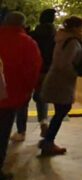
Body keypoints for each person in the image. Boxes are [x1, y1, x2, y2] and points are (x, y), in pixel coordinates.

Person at [0, 13, 42, 180]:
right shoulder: (27, 43)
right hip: (11, 96)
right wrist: (28, 90)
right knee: (2, 133)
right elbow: (32, 70)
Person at [39, 15, 82, 157]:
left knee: (61, 110)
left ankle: (47, 139)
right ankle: (48, 141)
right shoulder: (72, 42)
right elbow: (65, 64)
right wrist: (74, 72)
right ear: (75, 28)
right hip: (62, 82)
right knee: (63, 109)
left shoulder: (62, 40)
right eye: (81, 27)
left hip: (56, 79)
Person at [16, 9, 56, 142]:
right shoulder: (55, 36)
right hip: (46, 72)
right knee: (41, 98)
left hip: (29, 70)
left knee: (23, 100)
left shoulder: (32, 35)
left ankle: (21, 131)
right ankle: (44, 122)